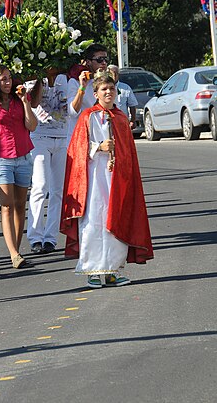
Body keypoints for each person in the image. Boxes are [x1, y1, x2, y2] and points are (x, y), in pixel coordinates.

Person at [60, 70, 153, 289]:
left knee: (116, 217)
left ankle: (112, 269)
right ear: (96, 93)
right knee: (94, 218)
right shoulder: (88, 116)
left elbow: (128, 152)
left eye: (112, 89)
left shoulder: (121, 117)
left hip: (116, 178)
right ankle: (92, 269)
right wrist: (98, 147)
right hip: (93, 176)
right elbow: (78, 147)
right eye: (104, 89)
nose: (109, 92)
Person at [0, 65, 37, 268]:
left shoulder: (19, 100)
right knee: (6, 205)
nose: (8, 82)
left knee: (21, 205)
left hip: (23, 156)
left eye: (9, 78)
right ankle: (13, 254)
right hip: (2, 158)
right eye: (3, 79)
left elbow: (32, 125)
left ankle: (16, 250)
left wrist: (25, 102)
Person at [26, 70, 68, 254]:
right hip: (39, 136)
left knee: (57, 190)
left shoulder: (66, 79)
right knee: (40, 185)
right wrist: (42, 78)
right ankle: (35, 236)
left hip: (62, 136)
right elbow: (33, 101)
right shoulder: (34, 79)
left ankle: (50, 237)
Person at [67, 43, 109, 143]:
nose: (103, 63)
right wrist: (82, 87)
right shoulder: (75, 82)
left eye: (106, 60)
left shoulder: (107, 82)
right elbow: (72, 112)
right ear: (88, 62)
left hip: (101, 135)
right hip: (81, 136)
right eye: (99, 60)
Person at [107, 65, 138, 130]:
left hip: (122, 121)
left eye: (116, 73)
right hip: (108, 121)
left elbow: (132, 105)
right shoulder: (104, 88)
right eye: (112, 73)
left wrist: (133, 120)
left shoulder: (125, 87)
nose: (114, 75)